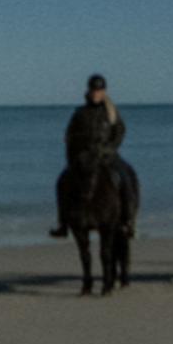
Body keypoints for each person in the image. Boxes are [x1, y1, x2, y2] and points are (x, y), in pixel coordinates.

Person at [51, 75, 124, 237]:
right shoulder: (80, 113)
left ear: (104, 92)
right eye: (93, 90)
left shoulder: (111, 113)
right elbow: (70, 136)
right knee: (62, 182)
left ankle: (128, 221)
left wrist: (109, 148)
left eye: (99, 90)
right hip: (85, 158)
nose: (96, 94)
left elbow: (119, 132)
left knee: (126, 176)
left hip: (107, 156)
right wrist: (73, 157)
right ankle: (63, 224)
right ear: (89, 91)